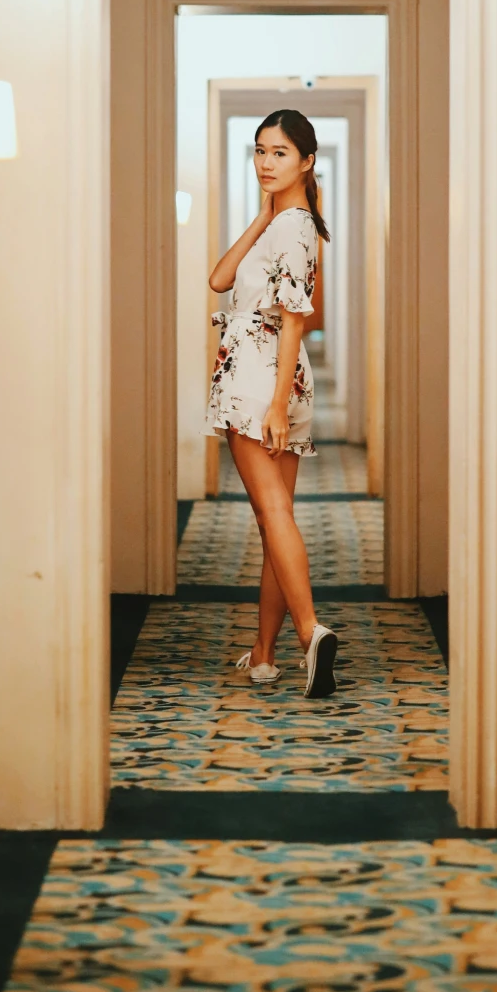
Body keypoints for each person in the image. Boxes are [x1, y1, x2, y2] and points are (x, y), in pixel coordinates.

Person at [206, 108, 340, 698]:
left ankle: (310, 630)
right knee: (273, 517)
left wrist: (276, 405)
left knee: (274, 515)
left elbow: (292, 323)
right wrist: (261, 217)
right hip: (280, 379)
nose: (266, 162)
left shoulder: (295, 227)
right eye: (260, 151)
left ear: (307, 161)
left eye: (280, 152)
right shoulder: (289, 222)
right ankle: (263, 653)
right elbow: (219, 278)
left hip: (260, 380)